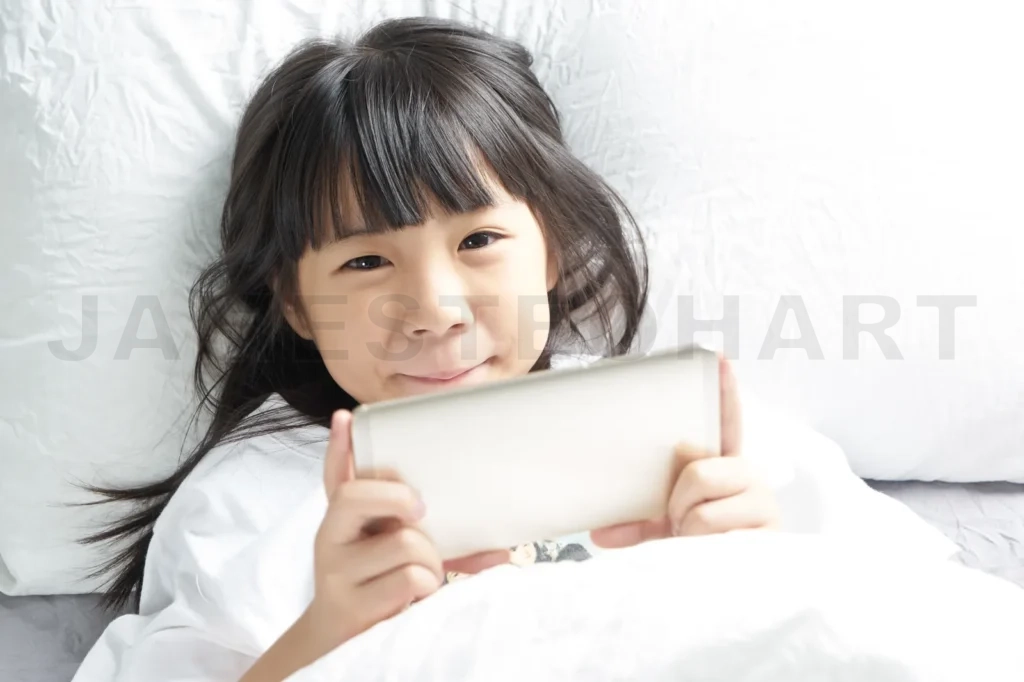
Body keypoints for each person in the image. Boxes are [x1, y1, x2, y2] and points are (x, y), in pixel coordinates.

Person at [73, 17, 778, 682]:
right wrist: (327, 630)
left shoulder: (658, 428)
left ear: (552, 252)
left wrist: (744, 566)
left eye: (478, 242)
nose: (435, 313)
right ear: (296, 302)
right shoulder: (250, 498)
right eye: (365, 263)